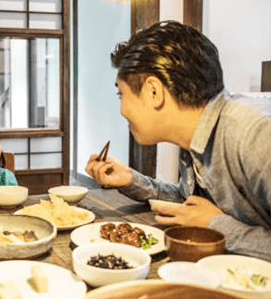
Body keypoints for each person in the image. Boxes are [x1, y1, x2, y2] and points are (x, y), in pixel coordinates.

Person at [85, 21, 271, 261]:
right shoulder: (195, 138)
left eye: (121, 94)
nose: (121, 109)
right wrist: (132, 180)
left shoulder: (253, 133)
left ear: (154, 91)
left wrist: (217, 225)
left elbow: (207, 218)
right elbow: (189, 204)